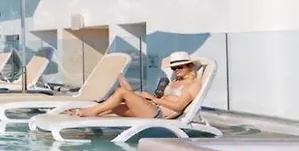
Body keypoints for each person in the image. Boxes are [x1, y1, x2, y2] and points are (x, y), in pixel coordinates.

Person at [68, 51, 200, 119]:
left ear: (189, 66)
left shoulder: (193, 85)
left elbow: (178, 107)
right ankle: (90, 112)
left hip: (158, 114)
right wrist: (150, 98)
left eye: (180, 67)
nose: (176, 70)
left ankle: (90, 112)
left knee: (122, 92)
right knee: (116, 106)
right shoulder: (175, 81)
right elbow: (163, 98)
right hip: (152, 107)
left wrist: (154, 99)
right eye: (174, 68)